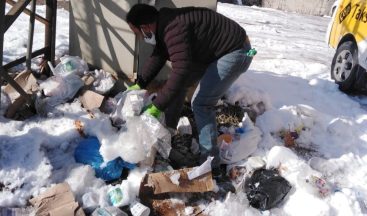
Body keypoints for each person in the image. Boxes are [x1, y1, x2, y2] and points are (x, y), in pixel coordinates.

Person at [126, 4, 254, 175]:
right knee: (178, 85)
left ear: (145, 27)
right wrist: (140, 83)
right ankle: (168, 132)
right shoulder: (164, 25)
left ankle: (210, 164)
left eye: (137, 33)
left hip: (237, 51)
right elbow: (159, 55)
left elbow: (181, 70)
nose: (140, 38)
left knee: (201, 104)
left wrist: (157, 106)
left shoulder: (173, 28)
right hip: (214, 51)